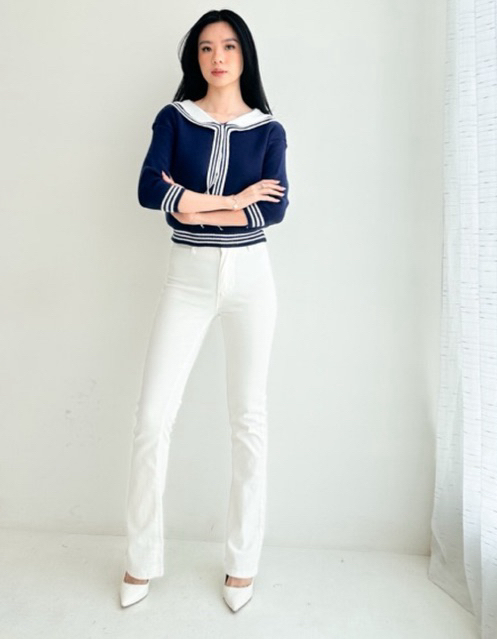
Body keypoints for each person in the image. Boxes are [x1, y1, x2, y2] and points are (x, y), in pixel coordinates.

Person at [120, 8, 290, 612]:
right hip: (186, 279)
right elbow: (149, 189)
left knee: (249, 421)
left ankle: (242, 564)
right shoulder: (175, 119)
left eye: (230, 46)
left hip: (251, 281)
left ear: (245, 55)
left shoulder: (268, 130)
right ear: (195, 58)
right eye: (207, 48)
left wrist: (189, 203)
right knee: (152, 419)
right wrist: (232, 198)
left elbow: (272, 210)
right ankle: (140, 559)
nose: (218, 58)